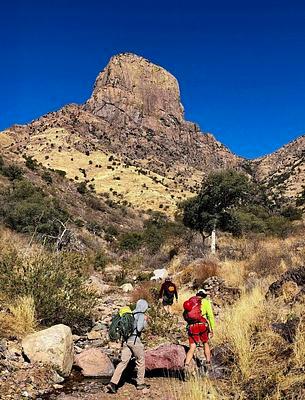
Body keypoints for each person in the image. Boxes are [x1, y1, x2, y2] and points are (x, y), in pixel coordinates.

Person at [107, 299, 150, 393]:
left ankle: (113, 383)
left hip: (126, 341)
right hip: (135, 341)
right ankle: (140, 383)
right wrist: (145, 321)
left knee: (123, 362)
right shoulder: (141, 315)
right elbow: (139, 328)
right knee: (141, 361)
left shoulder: (130, 314)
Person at [184, 289, 215, 373]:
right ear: (204, 295)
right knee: (205, 343)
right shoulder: (206, 302)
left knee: (192, 347)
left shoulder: (191, 301)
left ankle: (186, 365)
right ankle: (208, 363)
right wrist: (212, 329)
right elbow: (210, 316)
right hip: (202, 325)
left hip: (192, 326)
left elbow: (186, 316)